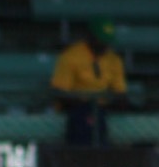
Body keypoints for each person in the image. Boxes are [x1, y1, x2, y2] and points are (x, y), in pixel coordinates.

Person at [50, 18, 126, 146]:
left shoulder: (114, 59)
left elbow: (120, 93)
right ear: (91, 37)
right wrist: (90, 103)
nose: (105, 45)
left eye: (107, 41)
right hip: (77, 109)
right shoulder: (71, 56)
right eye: (101, 40)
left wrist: (101, 105)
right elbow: (60, 94)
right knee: (86, 120)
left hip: (103, 109)